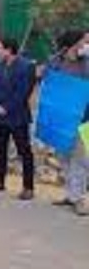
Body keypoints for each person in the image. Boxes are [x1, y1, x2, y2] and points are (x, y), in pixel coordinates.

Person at [0, 38, 35, 200]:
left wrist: (7, 107)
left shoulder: (26, 66)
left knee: (24, 152)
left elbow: (23, 91)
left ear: (9, 49)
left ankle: (28, 187)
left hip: (17, 117)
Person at [49, 30, 89, 216]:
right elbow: (47, 83)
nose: (85, 45)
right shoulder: (56, 62)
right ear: (73, 44)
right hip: (60, 119)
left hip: (83, 119)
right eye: (83, 42)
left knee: (80, 159)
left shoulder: (86, 63)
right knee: (63, 157)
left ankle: (79, 199)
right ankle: (70, 194)